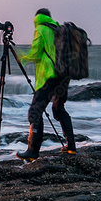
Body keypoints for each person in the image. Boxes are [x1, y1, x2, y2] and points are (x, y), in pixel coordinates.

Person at [16, 9, 76, 161]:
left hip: (49, 77)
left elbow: (36, 53)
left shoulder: (41, 29)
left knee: (35, 111)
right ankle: (71, 147)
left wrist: (22, 57)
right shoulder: (59, 29)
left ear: (37, 18)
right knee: (59, 109)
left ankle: (32, 151)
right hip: (64, 76)